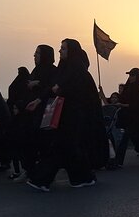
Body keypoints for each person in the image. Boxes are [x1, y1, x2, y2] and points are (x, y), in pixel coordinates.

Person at [27, 39, 101, 191]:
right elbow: (52, 87)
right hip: (63, 118)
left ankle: (43, 179)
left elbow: (80, 95)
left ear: (71, 51)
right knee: (66, 149)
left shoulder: (79, 72)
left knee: (65, 149)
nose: (60, 51)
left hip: (74, 118)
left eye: (64, 49)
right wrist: (38, 100)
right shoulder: (63, 70)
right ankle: (80, 178)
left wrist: (59, 89)